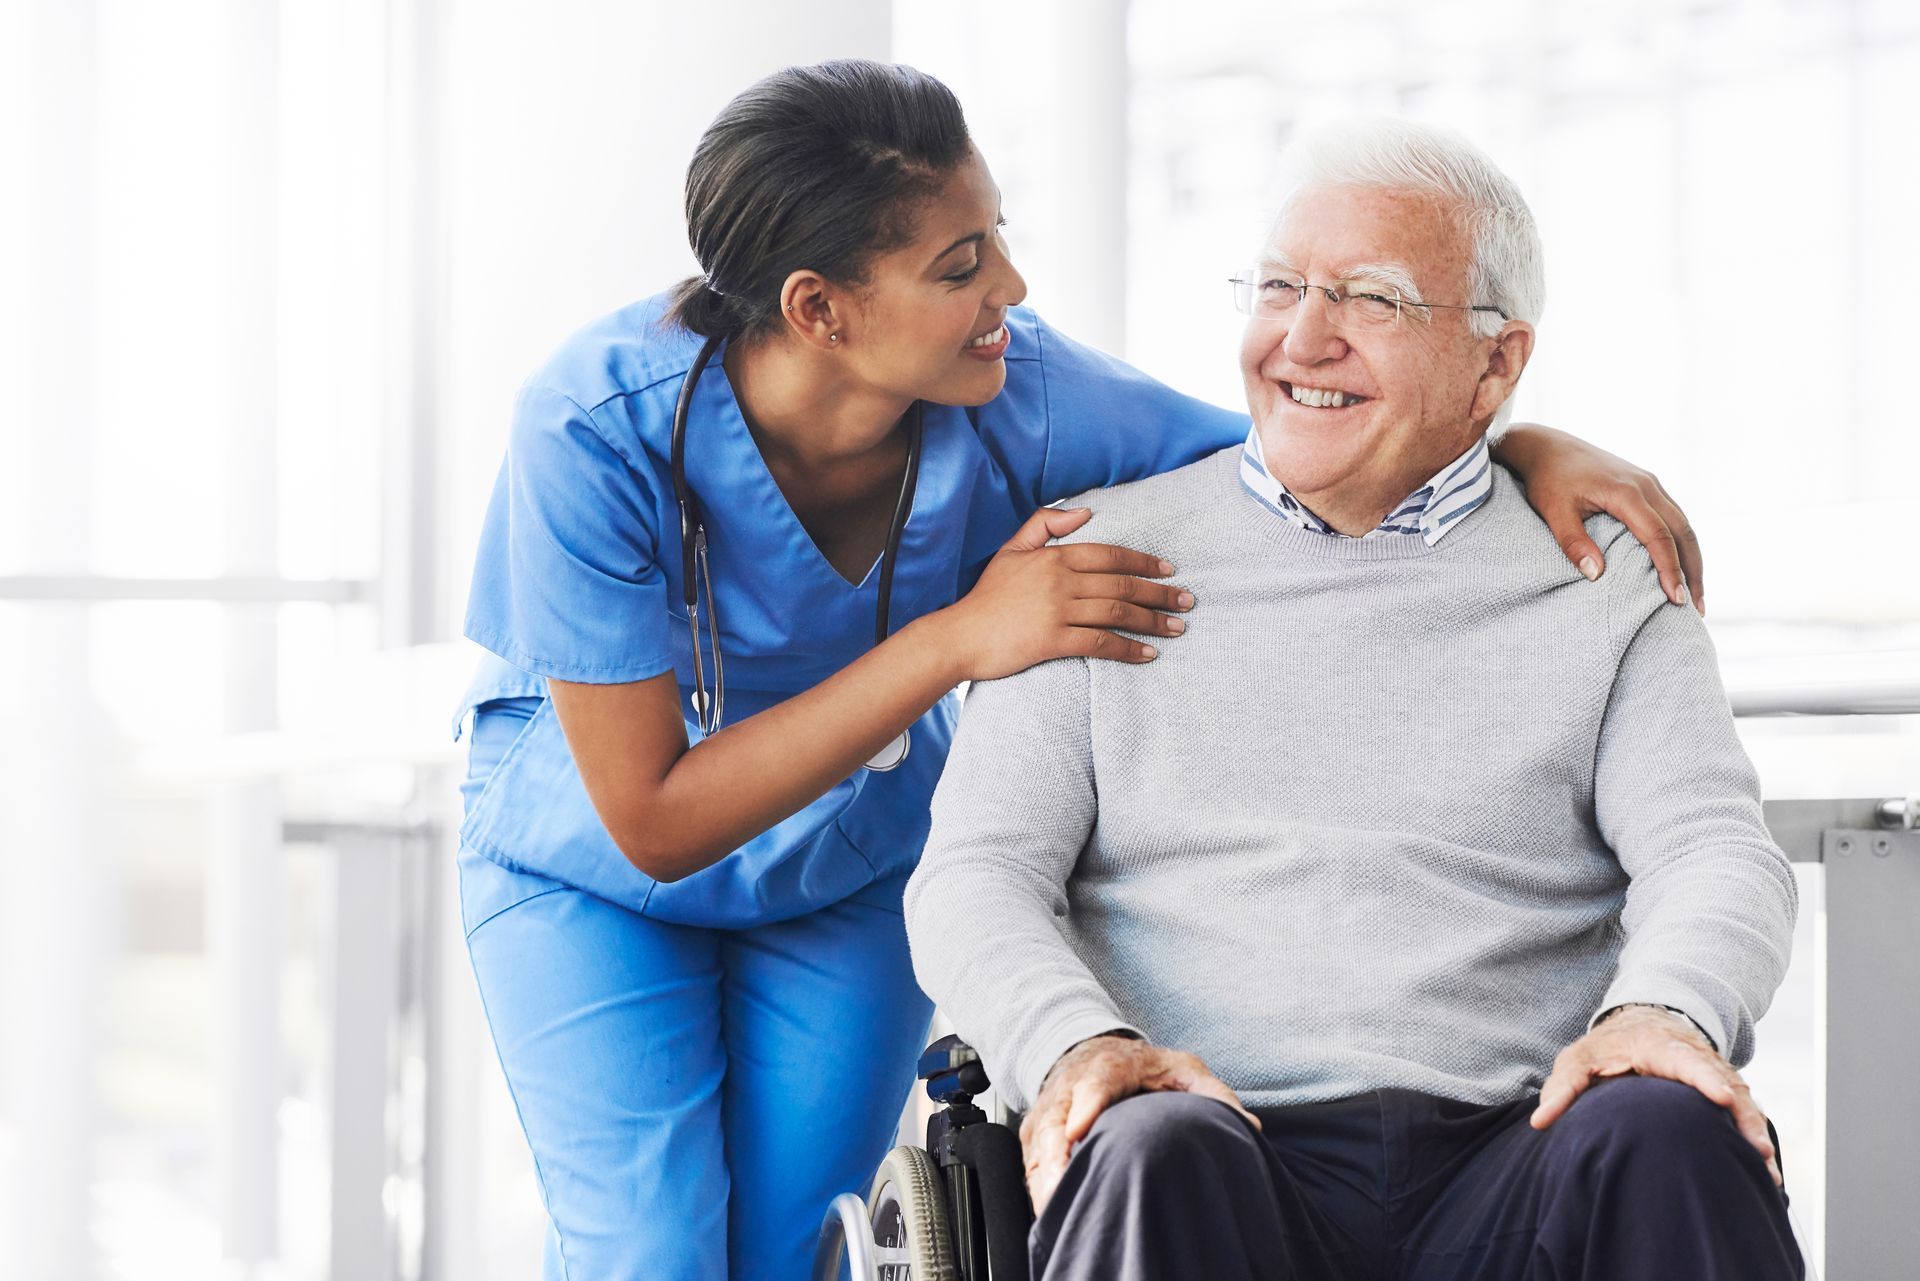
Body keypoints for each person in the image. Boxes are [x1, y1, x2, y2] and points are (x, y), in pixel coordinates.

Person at [456, 64, 1712, 1280]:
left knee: (802, 1247)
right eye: (960, 266)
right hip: (599, 873)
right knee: (649, 1252)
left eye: (995, 234)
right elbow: (655, 822)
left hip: (839, 858)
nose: (1011, 283)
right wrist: (958, 639)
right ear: (817, 309)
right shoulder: (594, 431)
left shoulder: (1026, 389)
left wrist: (1524, 432)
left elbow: (1319, 442)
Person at [904, 117, 1802, 1281]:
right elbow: (975, 877)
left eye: (1370, 299)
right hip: (1211, 1135)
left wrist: (1666, 1015)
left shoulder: (1605, 577)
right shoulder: (1092, 562)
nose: (1302, 337)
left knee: (1662, 1122)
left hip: (1519, 1142)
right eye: (1279, 286)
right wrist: (1079, 1045)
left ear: (1497, 363)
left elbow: (1714, 851)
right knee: (1145, 1146)